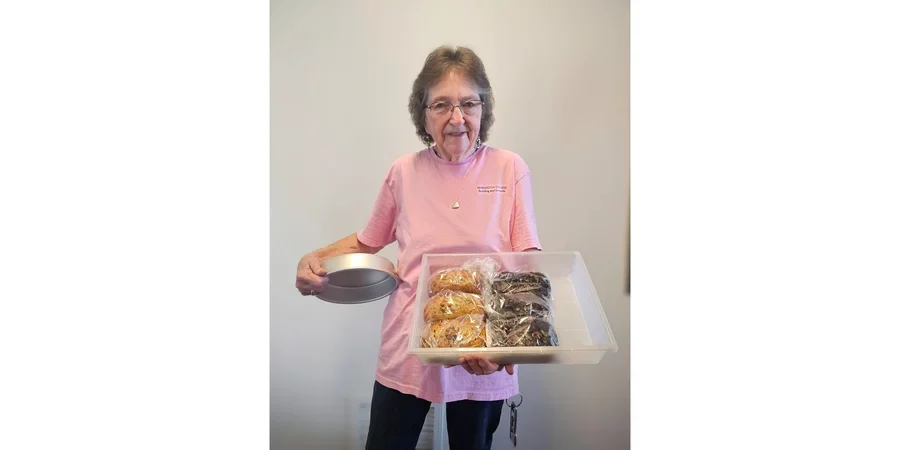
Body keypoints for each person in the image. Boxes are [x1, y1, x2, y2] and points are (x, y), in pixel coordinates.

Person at [295, 45, 542, 450]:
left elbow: (526, 264)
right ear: (422, 114)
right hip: (408, 349)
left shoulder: (510, 168)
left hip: (485, 347)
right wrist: (315, 259)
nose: (457, 118)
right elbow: (366, 241)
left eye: (468, 103)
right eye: (441, 104)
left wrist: (507, 349)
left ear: (484, 109)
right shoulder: (403, 172)